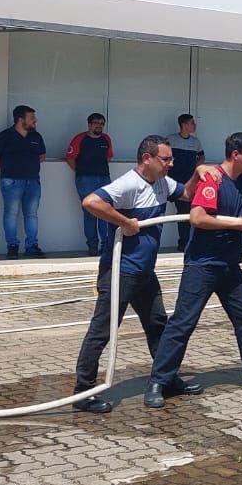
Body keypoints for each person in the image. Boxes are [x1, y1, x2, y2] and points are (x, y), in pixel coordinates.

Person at [144, 132, 242, 409]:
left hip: (229, 265)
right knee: (182, 323)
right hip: (202, 265)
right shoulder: (212, 180)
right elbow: (197, 218)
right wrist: (235, 224)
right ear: (235, 155)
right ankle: (159, 382)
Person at [71, 135, 202, 414]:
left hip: (144, 272)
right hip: (120, 271)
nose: (170, 163)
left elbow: (188, 195)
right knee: (102, 331)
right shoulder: (128, 184)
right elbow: (90, 202)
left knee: (158, 327)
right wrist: (124, 222)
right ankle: (83, 392)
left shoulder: (163, 183)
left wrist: (197, 174)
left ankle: (166, 379)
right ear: (147, 158)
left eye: (171, 159)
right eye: (165, 159)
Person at [0, 104, 48, 258]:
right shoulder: (5, 136)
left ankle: (32, 246)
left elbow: (42, 156)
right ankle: (12, 246)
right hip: (11, 182)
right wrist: (8, 169)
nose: (35, 120)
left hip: (33, 181)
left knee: (31, 214)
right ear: (21, 119)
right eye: (32, 117)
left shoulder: (36, 136)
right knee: (11, 213)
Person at [66, 112, 115, 256]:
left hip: (104, 179)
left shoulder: (106, 139)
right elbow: (70, 158)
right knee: (90, 214)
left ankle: (106, 246)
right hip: (85, 180)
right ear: (89, 124)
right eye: (96, 123)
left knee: (106, 212)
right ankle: (92, 246)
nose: (99, 125)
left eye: (101, 123)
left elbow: (109, 157)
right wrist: (82, 172)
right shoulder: (80, 138)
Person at [165, 114, 206, 252]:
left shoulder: (196, 142)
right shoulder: (171, 139)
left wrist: (196, 168)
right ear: (183, 124)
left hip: (191, 180)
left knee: (193, 209)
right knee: (182, 211)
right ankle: (183, 243)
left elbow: (202, 156)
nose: (195, 125)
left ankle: (191, 242)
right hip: (175, 181)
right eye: (192, 123)